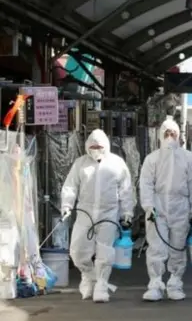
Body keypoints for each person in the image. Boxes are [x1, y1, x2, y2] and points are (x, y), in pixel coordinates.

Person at [61, 129, 134, 303]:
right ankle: (88, 276)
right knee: (77, 250)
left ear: (106, 146)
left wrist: (127, 212)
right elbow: (71, 186)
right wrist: (66, 205)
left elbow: (126, 190)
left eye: (99, 146)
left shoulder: (117, 164)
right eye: (92, 146)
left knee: (105, 251)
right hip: (85, 212)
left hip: (108, 212)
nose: (96, 149)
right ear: (87, 146)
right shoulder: (81, 164)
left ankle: (101, 284)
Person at [139, 119, 192, 302]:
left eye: (173, 133)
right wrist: (148, 207)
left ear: (178, 136)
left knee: (178, 246)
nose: (169, 137)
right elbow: (146, 184)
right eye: (166, 134)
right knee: (156, 247)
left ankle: (175, 283)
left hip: (181, 208)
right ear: (160, 136)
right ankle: (155, 283)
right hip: (158, 208)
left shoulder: (188, 158)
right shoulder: (152, 159)